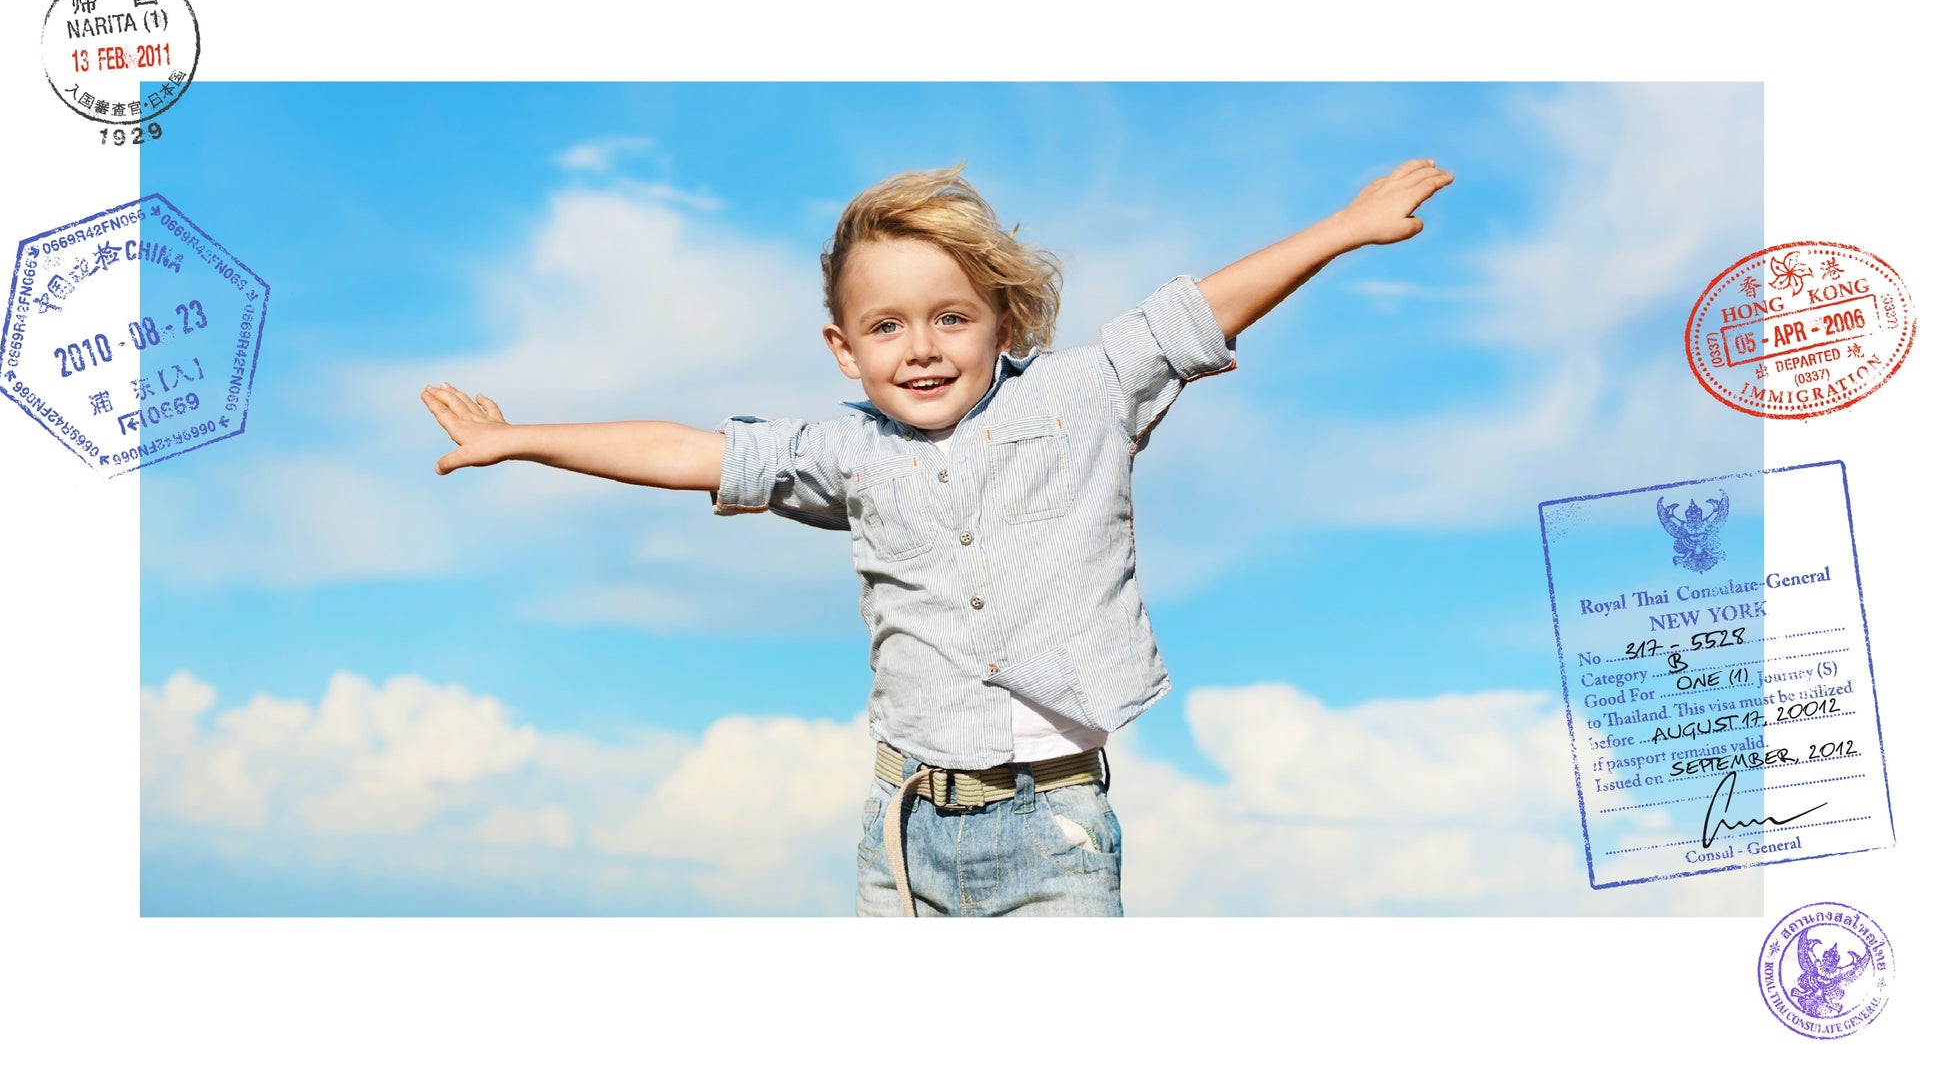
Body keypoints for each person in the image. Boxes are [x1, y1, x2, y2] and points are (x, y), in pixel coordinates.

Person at [420, 158, 1454, 916]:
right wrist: (518, 439)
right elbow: (691, 451)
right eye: (885, 327)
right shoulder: (846, 454)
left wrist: (1344, 226)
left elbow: (1196, 313)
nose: (919, 349)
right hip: (901, 833)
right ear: (842, 347)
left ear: (1001, 322)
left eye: (949, 319)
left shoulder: (1080, 396)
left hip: (1054, 833)